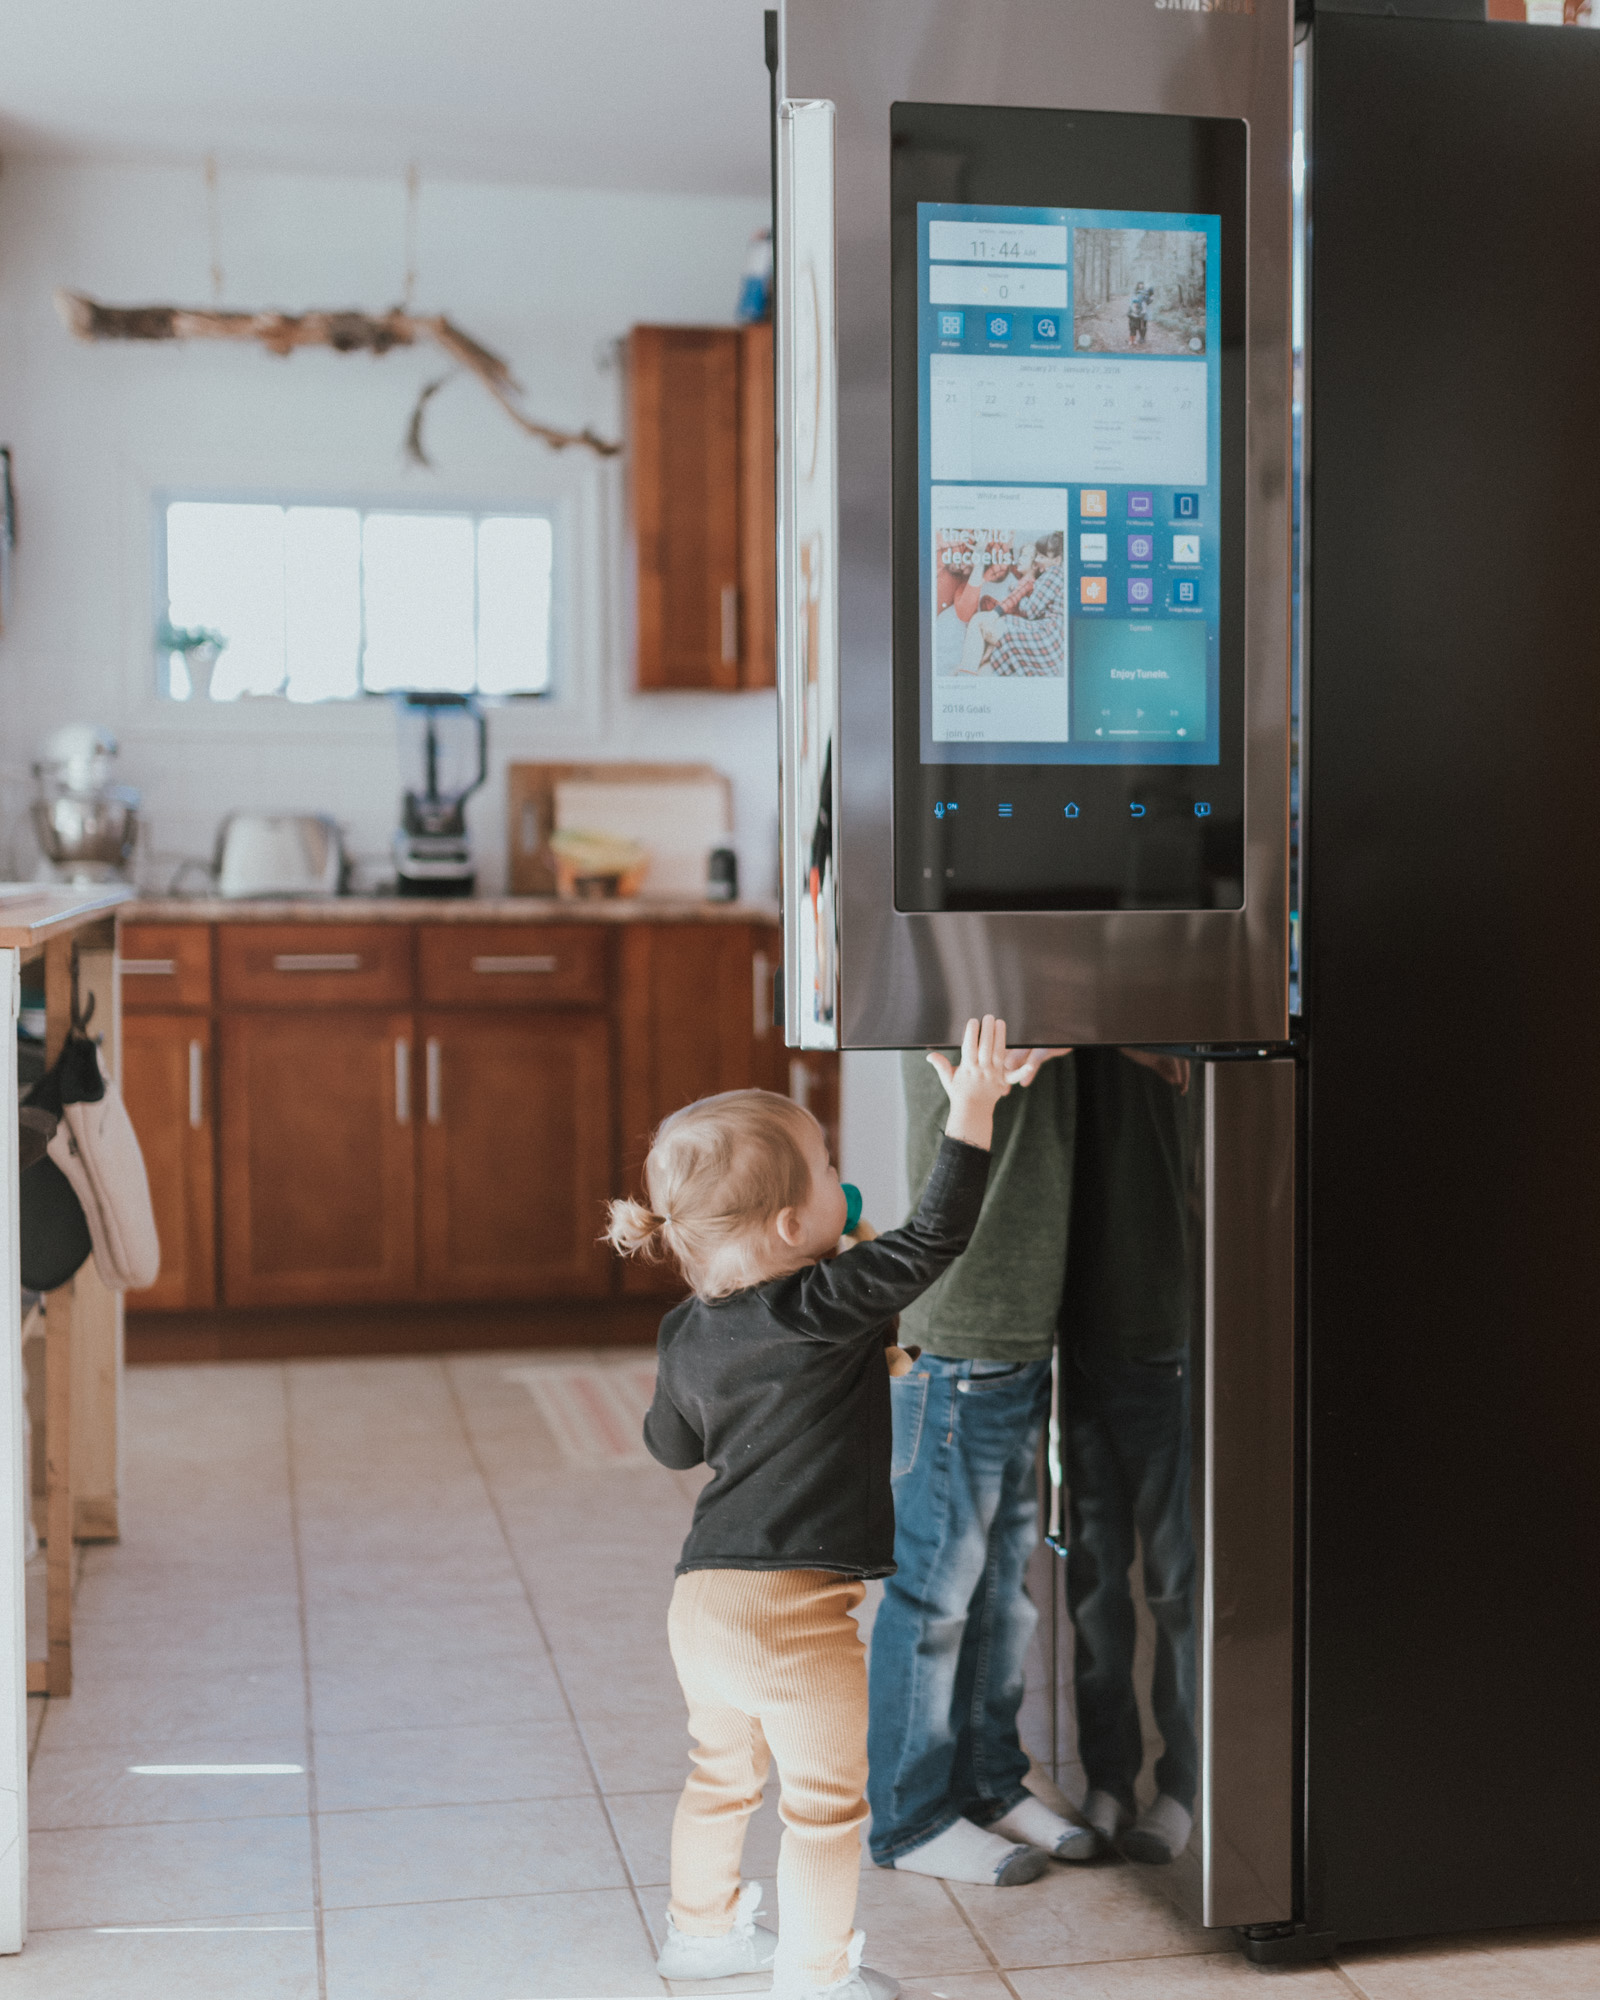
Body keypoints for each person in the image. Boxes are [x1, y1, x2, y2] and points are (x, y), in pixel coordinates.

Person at [613, 1019, 1022, 2000]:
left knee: (719, 1775)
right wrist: (970, 1109)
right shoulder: (823, 1297)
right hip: (795, 1616)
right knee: (825, 1808)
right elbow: (934, 1239)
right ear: (793, 1225)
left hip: (701, 1603)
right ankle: (814, 1972)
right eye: (826, 1164)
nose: (841, 1175)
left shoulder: (683, 1325)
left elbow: (669, 1444)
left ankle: (701, 1934)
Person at [867, 1041, 1092, 1883]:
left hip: (1018, 1329)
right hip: (963, 1334)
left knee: (1002, 1588)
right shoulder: (962, 964)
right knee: (934, 1598)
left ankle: (990, 1781)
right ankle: (911, 1818)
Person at [1059, 1047, 1199, 1864]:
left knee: (1176, 1582)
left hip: (1157, 1331)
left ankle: (1183, 1781)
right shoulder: (1070, 1025)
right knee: (1094, 1576)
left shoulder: (1172, 1017)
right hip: (1072, 1331)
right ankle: (1109, 1778)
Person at [958, 533, 1065, 680]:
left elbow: (1029, 610)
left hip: (1045, 638)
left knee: (979, 621)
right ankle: (968, 674)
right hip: (1046, 643)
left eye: (1041, 557)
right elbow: (1018, 569)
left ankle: (965, 675)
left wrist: (1019, 595)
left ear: (1057, 560)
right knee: (985, 670)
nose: (1038, 561)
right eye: (1037, 556)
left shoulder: (1054, 573)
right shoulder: (1045, 577)